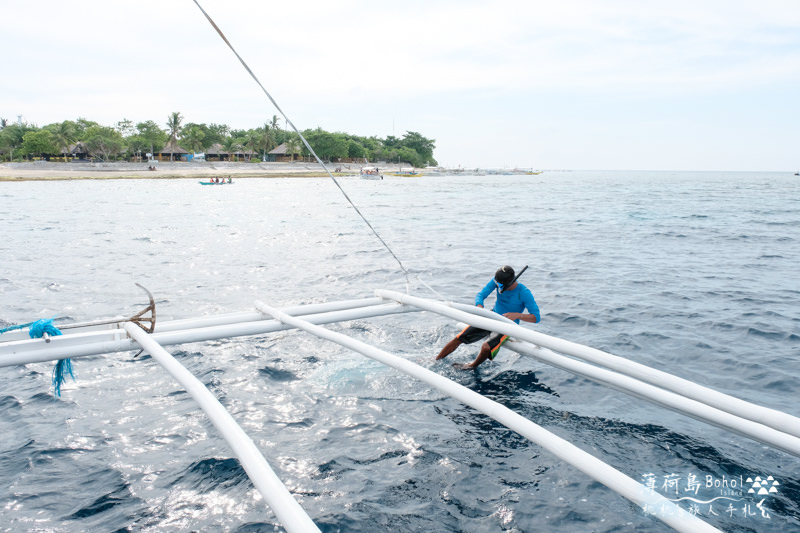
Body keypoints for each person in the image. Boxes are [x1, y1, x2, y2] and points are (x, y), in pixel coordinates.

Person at [436, 265, 540, 370]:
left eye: (500, 285)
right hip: (491, 317)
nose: (498, 286)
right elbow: (480, 295)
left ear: (510, 282)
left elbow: (536, 317)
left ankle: (472, 366)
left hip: (507, 326)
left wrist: (517, 315)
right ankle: (436, 359)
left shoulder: (524, 293)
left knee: (486, 347)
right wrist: (479, 307)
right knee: (458, 338)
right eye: (497, 283)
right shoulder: (497, 281)